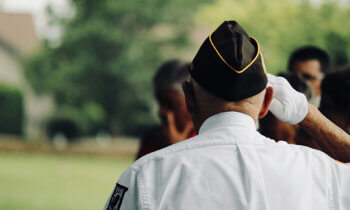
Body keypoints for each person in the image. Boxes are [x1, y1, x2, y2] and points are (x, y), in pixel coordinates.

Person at [104, 21, 350, 210]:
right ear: (266, 102)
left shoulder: (145, 176)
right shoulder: (317, 170)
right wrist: (305, 112)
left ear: (188, 97)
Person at [136, 60, 195, 159]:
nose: (161, 112)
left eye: (170, 104)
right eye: (160, 103)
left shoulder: (210, 139)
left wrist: (175, 151)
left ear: (192, 100)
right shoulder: (152, 139)